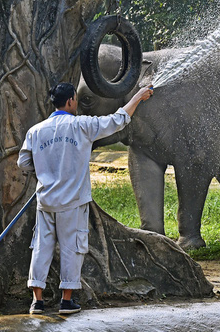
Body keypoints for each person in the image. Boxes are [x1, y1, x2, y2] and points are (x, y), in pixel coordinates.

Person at [17, 82, 154, 315]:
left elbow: (23, 163)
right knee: (72, 248)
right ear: (71, 101)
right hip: (72, 202)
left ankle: (37, 302)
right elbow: (118, 119)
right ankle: (66, 301)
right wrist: (139, 97)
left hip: (46, 201)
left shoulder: (36, 131)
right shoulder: (82, 126)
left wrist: (45, 171)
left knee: (41, 247)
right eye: (76, 100)